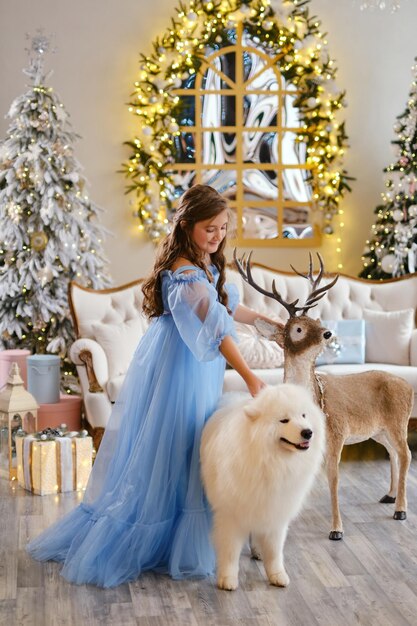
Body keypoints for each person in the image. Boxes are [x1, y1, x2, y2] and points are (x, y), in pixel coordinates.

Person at [27, 184, 280, 588]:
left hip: (197, 367)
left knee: (195, 442)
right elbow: (215, 329)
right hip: (180, 368)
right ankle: (160, 536)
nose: (217, 236)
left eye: (222, 229)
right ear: (187, 226)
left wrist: (270, 326)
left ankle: (188, 532)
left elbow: (228, 307)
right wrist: (251, 378)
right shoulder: (183, 271)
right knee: (177, 443)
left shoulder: (206, 264)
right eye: (209, 228)